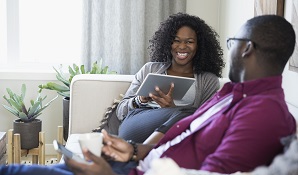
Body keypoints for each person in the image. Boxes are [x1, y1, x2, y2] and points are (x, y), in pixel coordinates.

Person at [0, 14, 296, 175]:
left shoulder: (263, 113)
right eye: (177, 40)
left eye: (234, 40)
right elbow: (183, 133)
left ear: (245, 48)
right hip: (137, 156)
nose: (182, 46)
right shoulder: (233, 94)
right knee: (15, 170)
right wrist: (136, 150)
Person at [117, 12, 225, 144]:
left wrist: (171, 109)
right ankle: (143, 151)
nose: (182, 46)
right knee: (187, 113)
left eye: (189, 42)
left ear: (199, 45)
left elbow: (204, 121)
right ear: (169, 43)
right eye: (176, 40)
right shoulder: (149, 69)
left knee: (190, 114)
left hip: (177, 136)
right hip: (135, 125)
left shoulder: (208, 80)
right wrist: (140, 100)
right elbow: (120, 111)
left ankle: (142, 152)